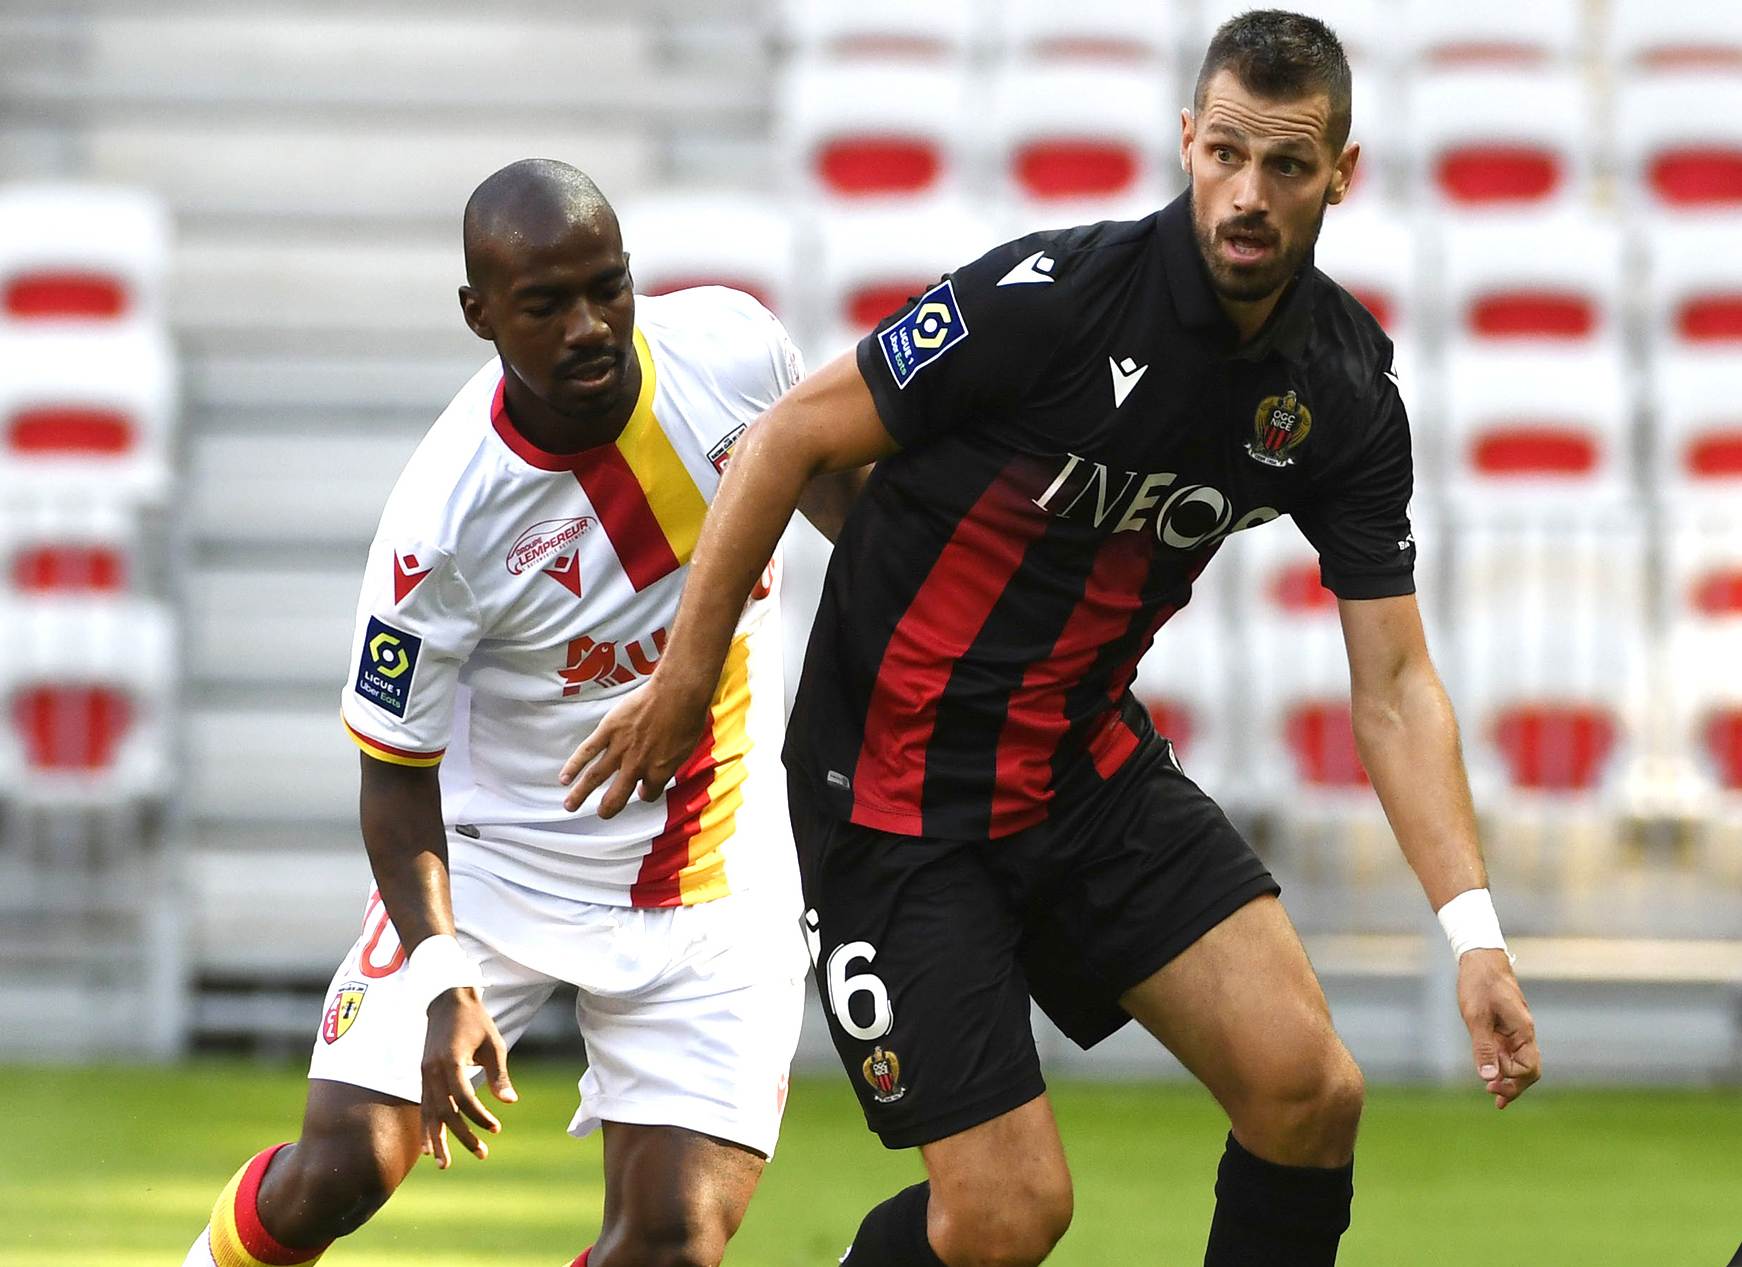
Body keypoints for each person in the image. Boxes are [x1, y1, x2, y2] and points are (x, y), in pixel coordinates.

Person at [562, 12, 1542, 1267]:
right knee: (1008, 1214)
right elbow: (790, 437)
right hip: (891, 795)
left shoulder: (1341, 392)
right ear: (1186, 143)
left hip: (1076, 771)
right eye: (1226, 154)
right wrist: (682, 683)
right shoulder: (1055, 301)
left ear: (1339, 176)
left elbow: (1396, 686)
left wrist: (1473, 936)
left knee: (1309, 1093)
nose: (1248, 195)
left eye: (1286, 167)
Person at [181, 158, 854, 1267]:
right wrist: (444, 976)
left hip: (713, 878)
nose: (590, 326)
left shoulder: (737, 356)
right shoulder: (438, 521)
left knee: (671, 1242)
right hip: (502, 871)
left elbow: (867, 539)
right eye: (546, 304)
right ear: (477, 313)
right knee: (339, 1168)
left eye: (610, 286)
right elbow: (393, 778)